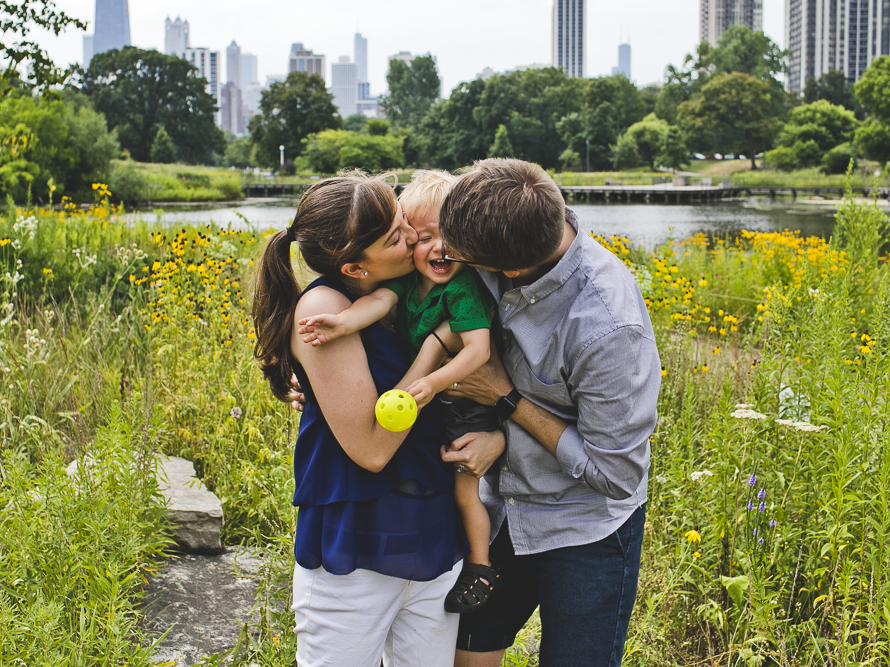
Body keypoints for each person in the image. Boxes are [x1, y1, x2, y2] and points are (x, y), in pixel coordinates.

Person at [252, 174, 504, 667]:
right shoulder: (327, 307)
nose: (412, 236)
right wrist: (432, 350)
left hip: (432, 534)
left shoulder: (415, 287)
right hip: (360, 547)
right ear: (354, 267)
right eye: (396, 235)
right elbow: (372, 449)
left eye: (402, 220)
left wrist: (496, 436)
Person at [436, 159, 662, 667]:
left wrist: (507, 401)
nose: (447, 259)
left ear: (509, 270)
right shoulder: (508, 219)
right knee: (462, 657)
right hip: (499, 513)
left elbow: (617, 473)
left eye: (460, 256)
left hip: (584, 529)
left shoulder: (607, 325)